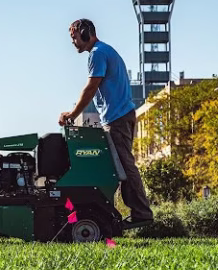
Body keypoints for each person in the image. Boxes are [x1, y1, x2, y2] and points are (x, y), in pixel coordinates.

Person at [58, 18, 154, 227]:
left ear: (85, 34)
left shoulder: (97, 54)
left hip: (117, 118)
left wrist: (73, 114)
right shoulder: (103, 51)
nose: (73, 42)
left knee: (124, 167)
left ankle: (142, 213)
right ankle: (132, 213)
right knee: (117, 167)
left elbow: (91, 88)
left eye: (74, 37)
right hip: (119, 115)